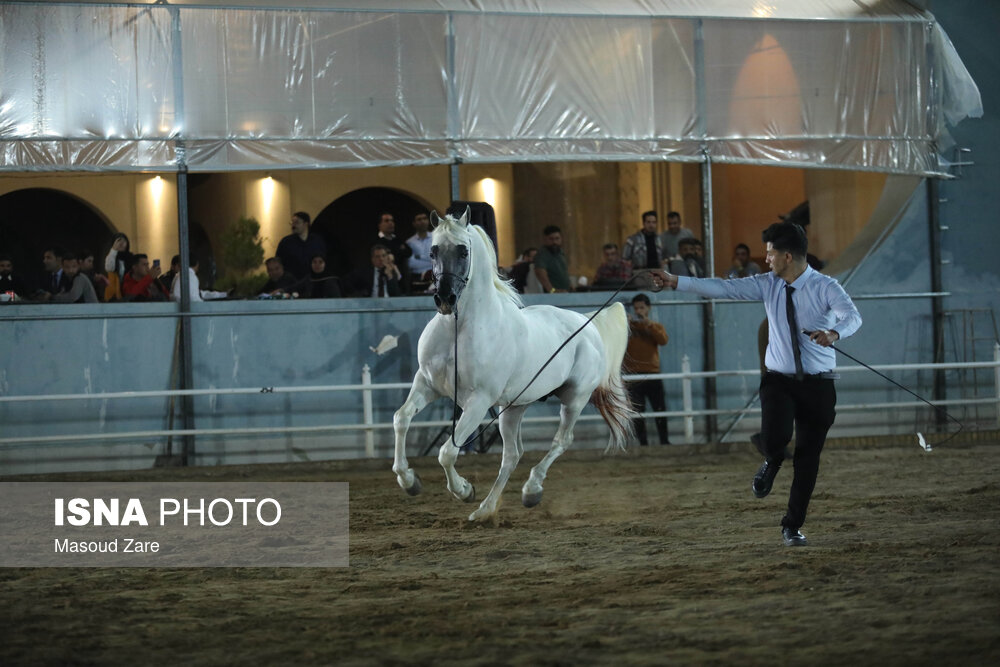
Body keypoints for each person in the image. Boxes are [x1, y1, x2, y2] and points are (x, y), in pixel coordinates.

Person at [650, 222, 862, 547]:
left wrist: (834, 333)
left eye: (770, 253)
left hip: (819, 385)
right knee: (776, 438)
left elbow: (852, 316)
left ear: (787, 256)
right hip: (778, 380)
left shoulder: (826, 287)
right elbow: (721, 287)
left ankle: (792, 525)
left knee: (808, 459)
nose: (766, 259)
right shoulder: (767, 284)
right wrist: (675, 281)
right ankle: (773, 457)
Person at [624, 293, 670, 446]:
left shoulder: (655, 326)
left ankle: (664, 441)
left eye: (642, 308)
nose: (638, 311)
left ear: (648, 308)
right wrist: (626, 325)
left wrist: (647, 324)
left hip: (652, 373)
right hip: (634, 375)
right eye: (636, 308)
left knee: (660, 409)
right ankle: (643, 443)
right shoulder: (626, 327)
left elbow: (663, 340)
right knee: (637, 411)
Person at [276, 211, 326, 281]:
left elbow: (323, 260)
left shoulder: (317, 241)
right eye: (292, 223)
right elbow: (278, 263)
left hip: (312, 281)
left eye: (296, 223)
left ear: (306, 224)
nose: (293, 226)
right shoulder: (286, 242)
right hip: (292, 283)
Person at [375, 212, 412, 293]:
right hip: (385, 278)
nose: (390, 223)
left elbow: (408, 252)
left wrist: (394, 253)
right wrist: (399, 251)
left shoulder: (397, 239)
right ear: (380, 225)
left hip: (402, 278)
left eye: (392, 220)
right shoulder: (376, 241)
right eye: (386, 221)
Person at [533, 225, 570, 293]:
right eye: (551, 239)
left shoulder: (560, 253)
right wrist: (552, 290)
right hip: (553, 295)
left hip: (565, 292)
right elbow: (540, 273)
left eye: (557, 238)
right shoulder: (542, 255)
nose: (554, 242)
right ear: (545, 239)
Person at [405, 211, 433, 292]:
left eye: (425, 218)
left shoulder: (436, 238)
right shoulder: (409, 242)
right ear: (414, 223)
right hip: (417, 278)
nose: (422, 221)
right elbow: (411, 264)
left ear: (428, 221)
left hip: (436, 277)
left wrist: (419, 257)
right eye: (419, 219)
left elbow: (439, 260)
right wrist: (429, 258)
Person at [103, 233, 132, 301]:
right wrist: (114, 250)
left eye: (124, 241)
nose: (121, 243)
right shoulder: (111, 257)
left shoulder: (130, 257)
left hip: (127, 290)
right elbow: (109, 268)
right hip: (114, 293)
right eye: (119, 241)